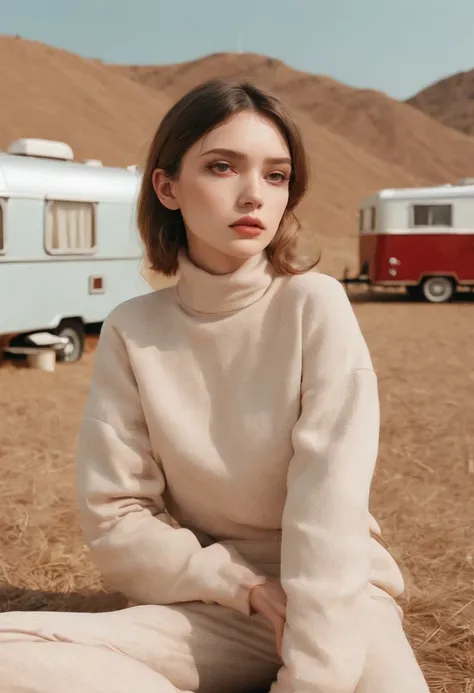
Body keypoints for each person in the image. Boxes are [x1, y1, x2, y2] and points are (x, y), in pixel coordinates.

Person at [0, 78, 430, 693]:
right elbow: (117, 517)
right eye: (223, 167)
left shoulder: (315, 305)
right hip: (216, 601)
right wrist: (242, 587)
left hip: (341, 598)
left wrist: (309, 678)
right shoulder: (132, 329)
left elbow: (328, 511)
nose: (254, 194)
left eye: (277, 175)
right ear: (167, 186)